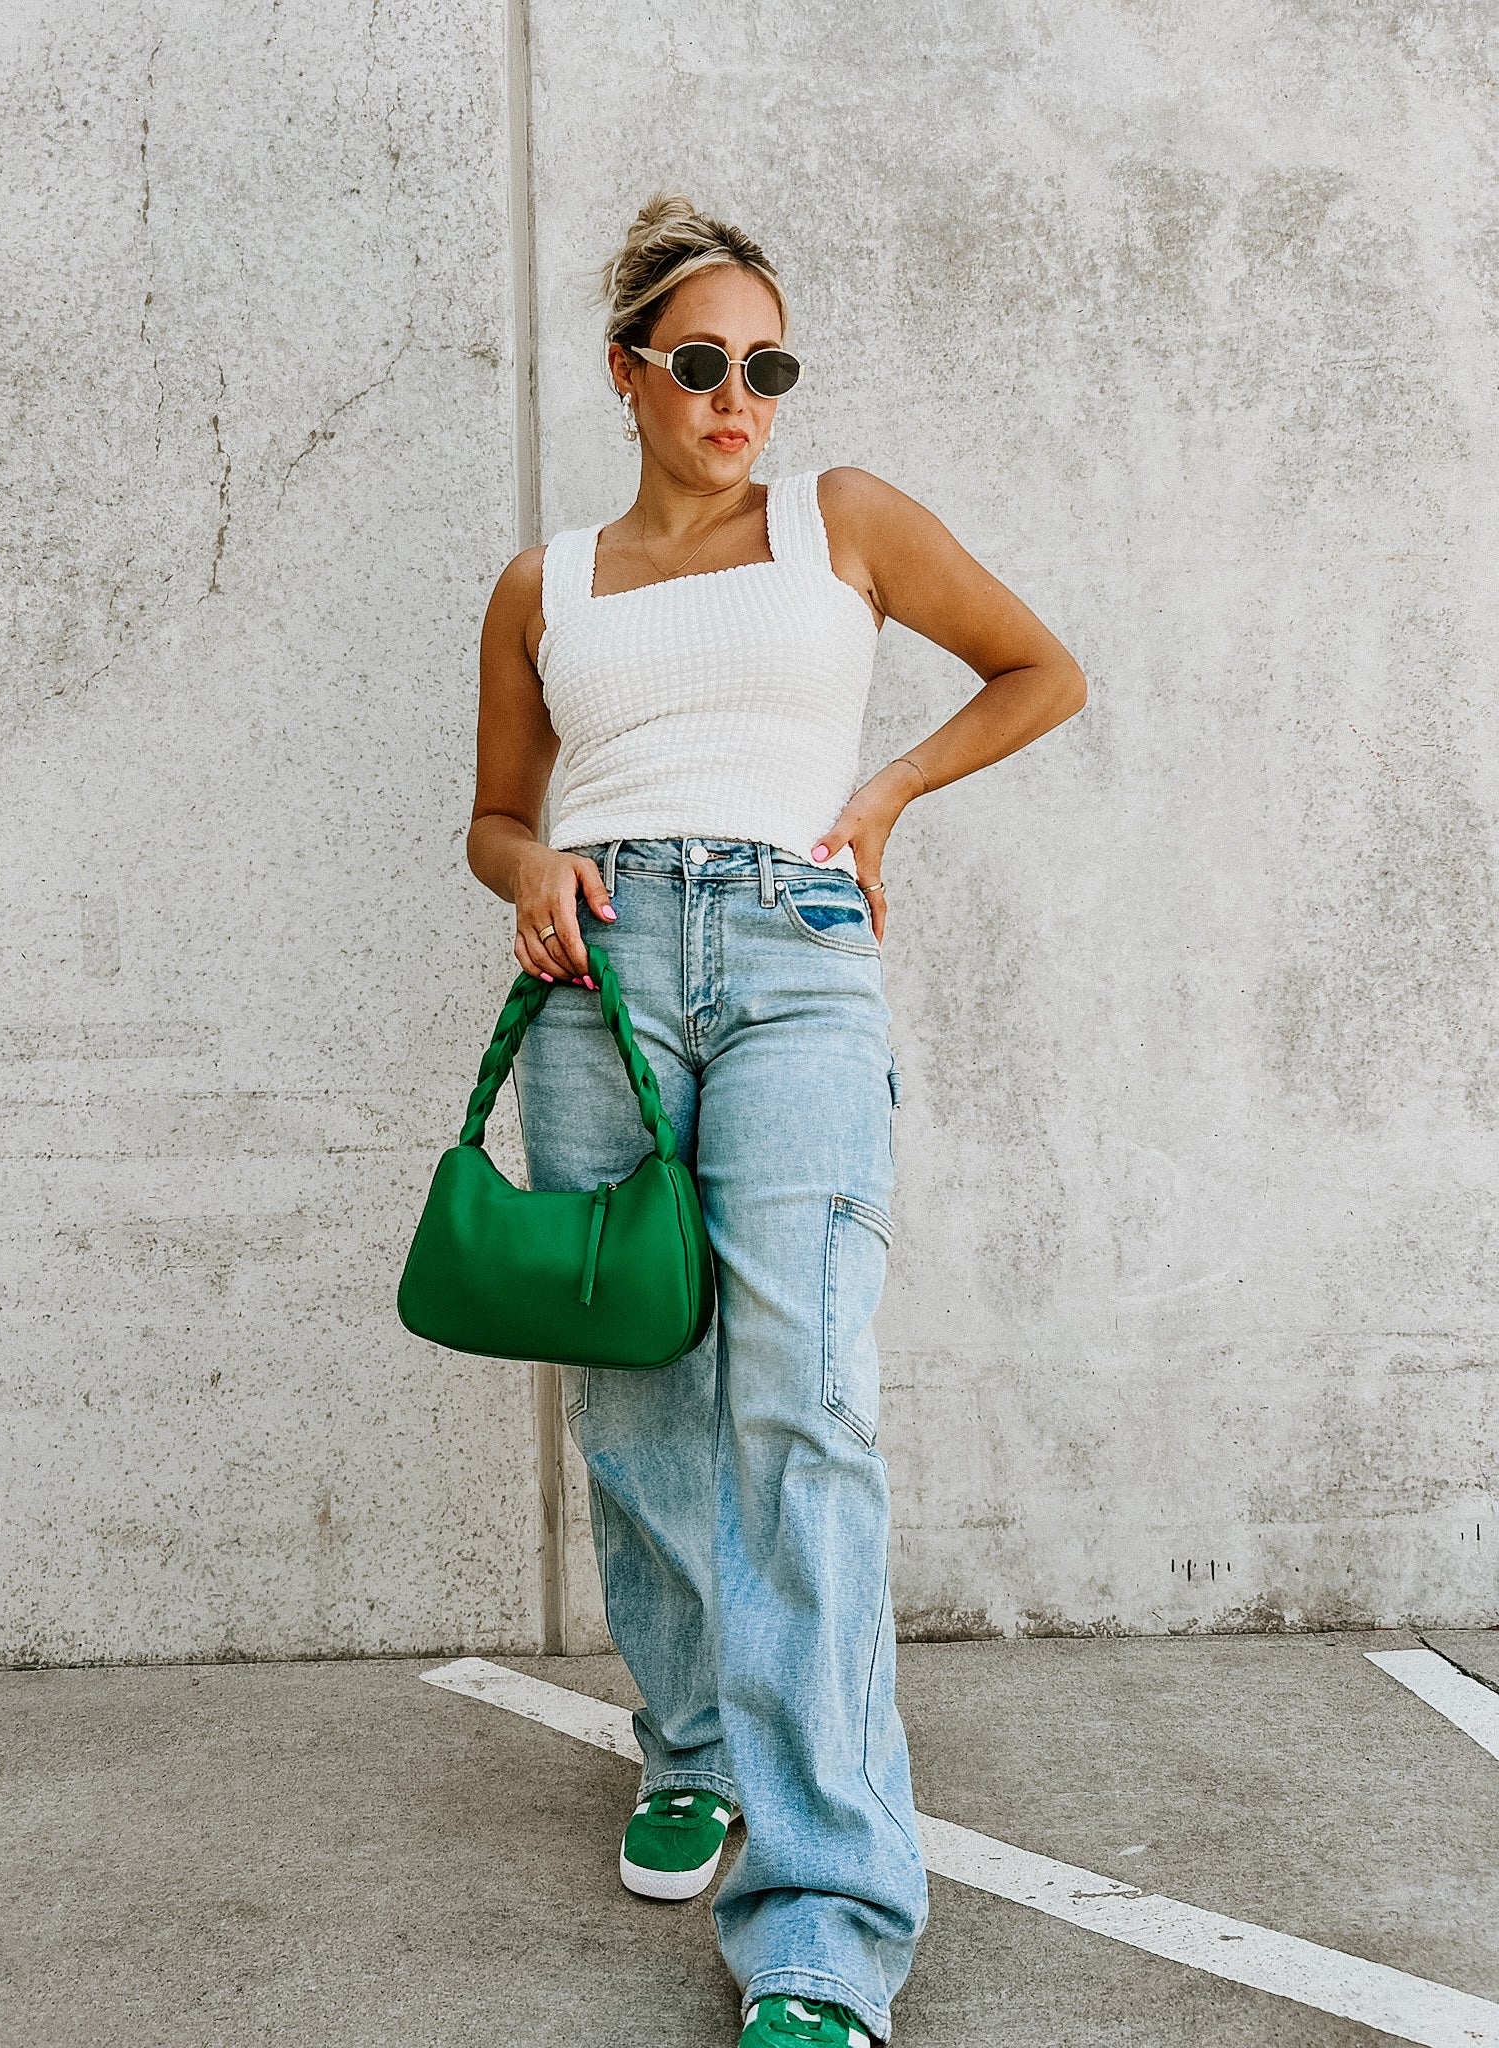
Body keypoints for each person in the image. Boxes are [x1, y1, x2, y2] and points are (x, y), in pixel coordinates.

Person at [466, 190, 1086, 2048]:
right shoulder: (544, 585)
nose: (744, 400)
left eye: (771, 367)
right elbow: (496, 814)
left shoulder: (846, 523)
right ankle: (692, 1738)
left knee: (801, 1394)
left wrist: (884, 796)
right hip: (602, 987)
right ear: (629, 374)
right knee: (641, 1384)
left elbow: (1039, 669)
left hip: (798, 957)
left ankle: (823, 1926)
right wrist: (531, 873)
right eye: (707, 365)